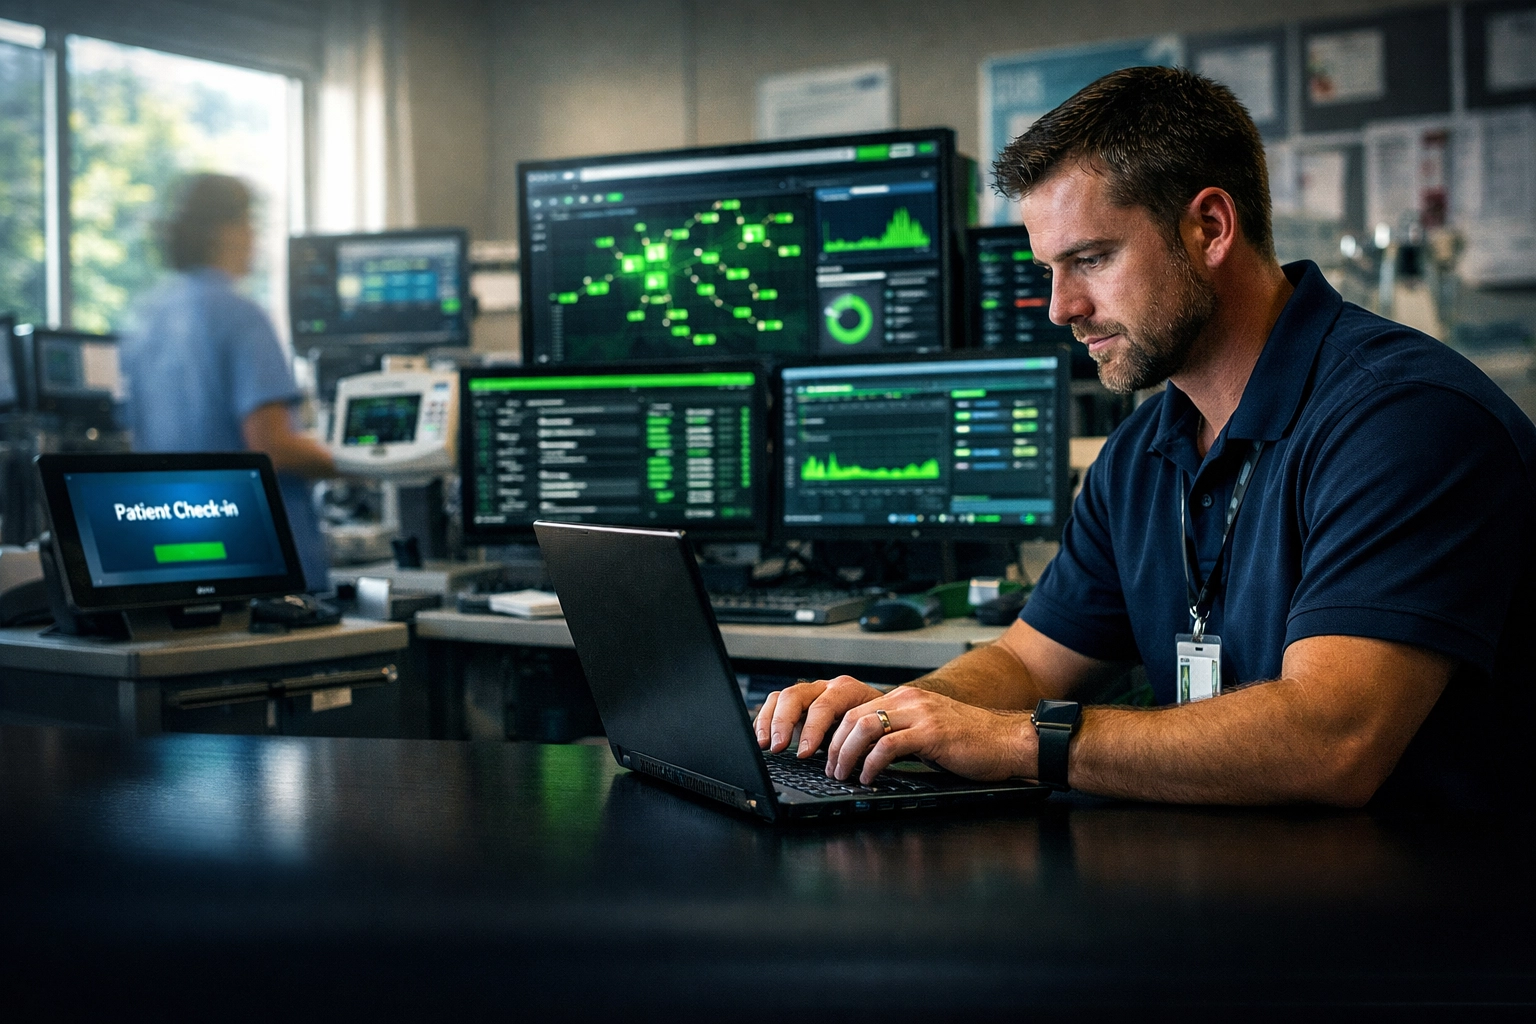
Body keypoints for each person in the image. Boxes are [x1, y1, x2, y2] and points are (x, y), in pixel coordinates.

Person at [756, 67, 1536, 808]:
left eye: (1091, 259)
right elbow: (1028, 661)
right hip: (1230, 873)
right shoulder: (1142, 454)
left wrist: (1018, 741)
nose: (1061, 308)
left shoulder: (1405, 420)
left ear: (1210, 227)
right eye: (1050, 270)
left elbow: (1333, 740)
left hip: (1427, 890)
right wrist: (891, 714)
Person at [122, 173, 336, 591]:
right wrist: (362, 463)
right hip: (258, 550)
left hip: (180, 542)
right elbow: (272, 447)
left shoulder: (147, 319)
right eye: (250, 224)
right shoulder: (240, 316)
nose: (255, 237)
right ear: (225, 232)